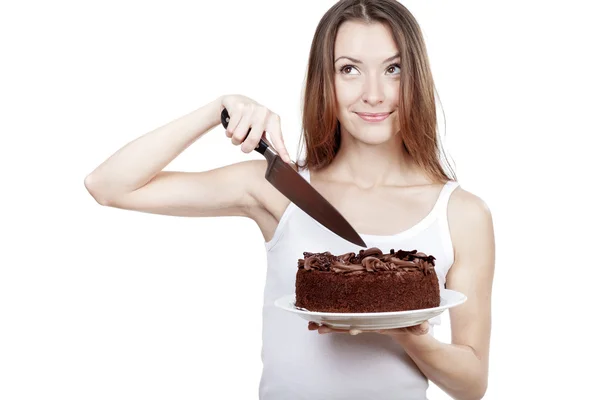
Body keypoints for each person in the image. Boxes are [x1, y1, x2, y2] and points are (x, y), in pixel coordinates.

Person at [84, 0, 495, 398]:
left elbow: (471, 385)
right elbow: (109, 186)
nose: (375, 94)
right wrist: (217, 110)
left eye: (393, 69)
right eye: (349, 69)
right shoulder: (276, 188)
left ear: (417, 79)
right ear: (325, 81)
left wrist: (410, 335)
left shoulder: (460, 213)